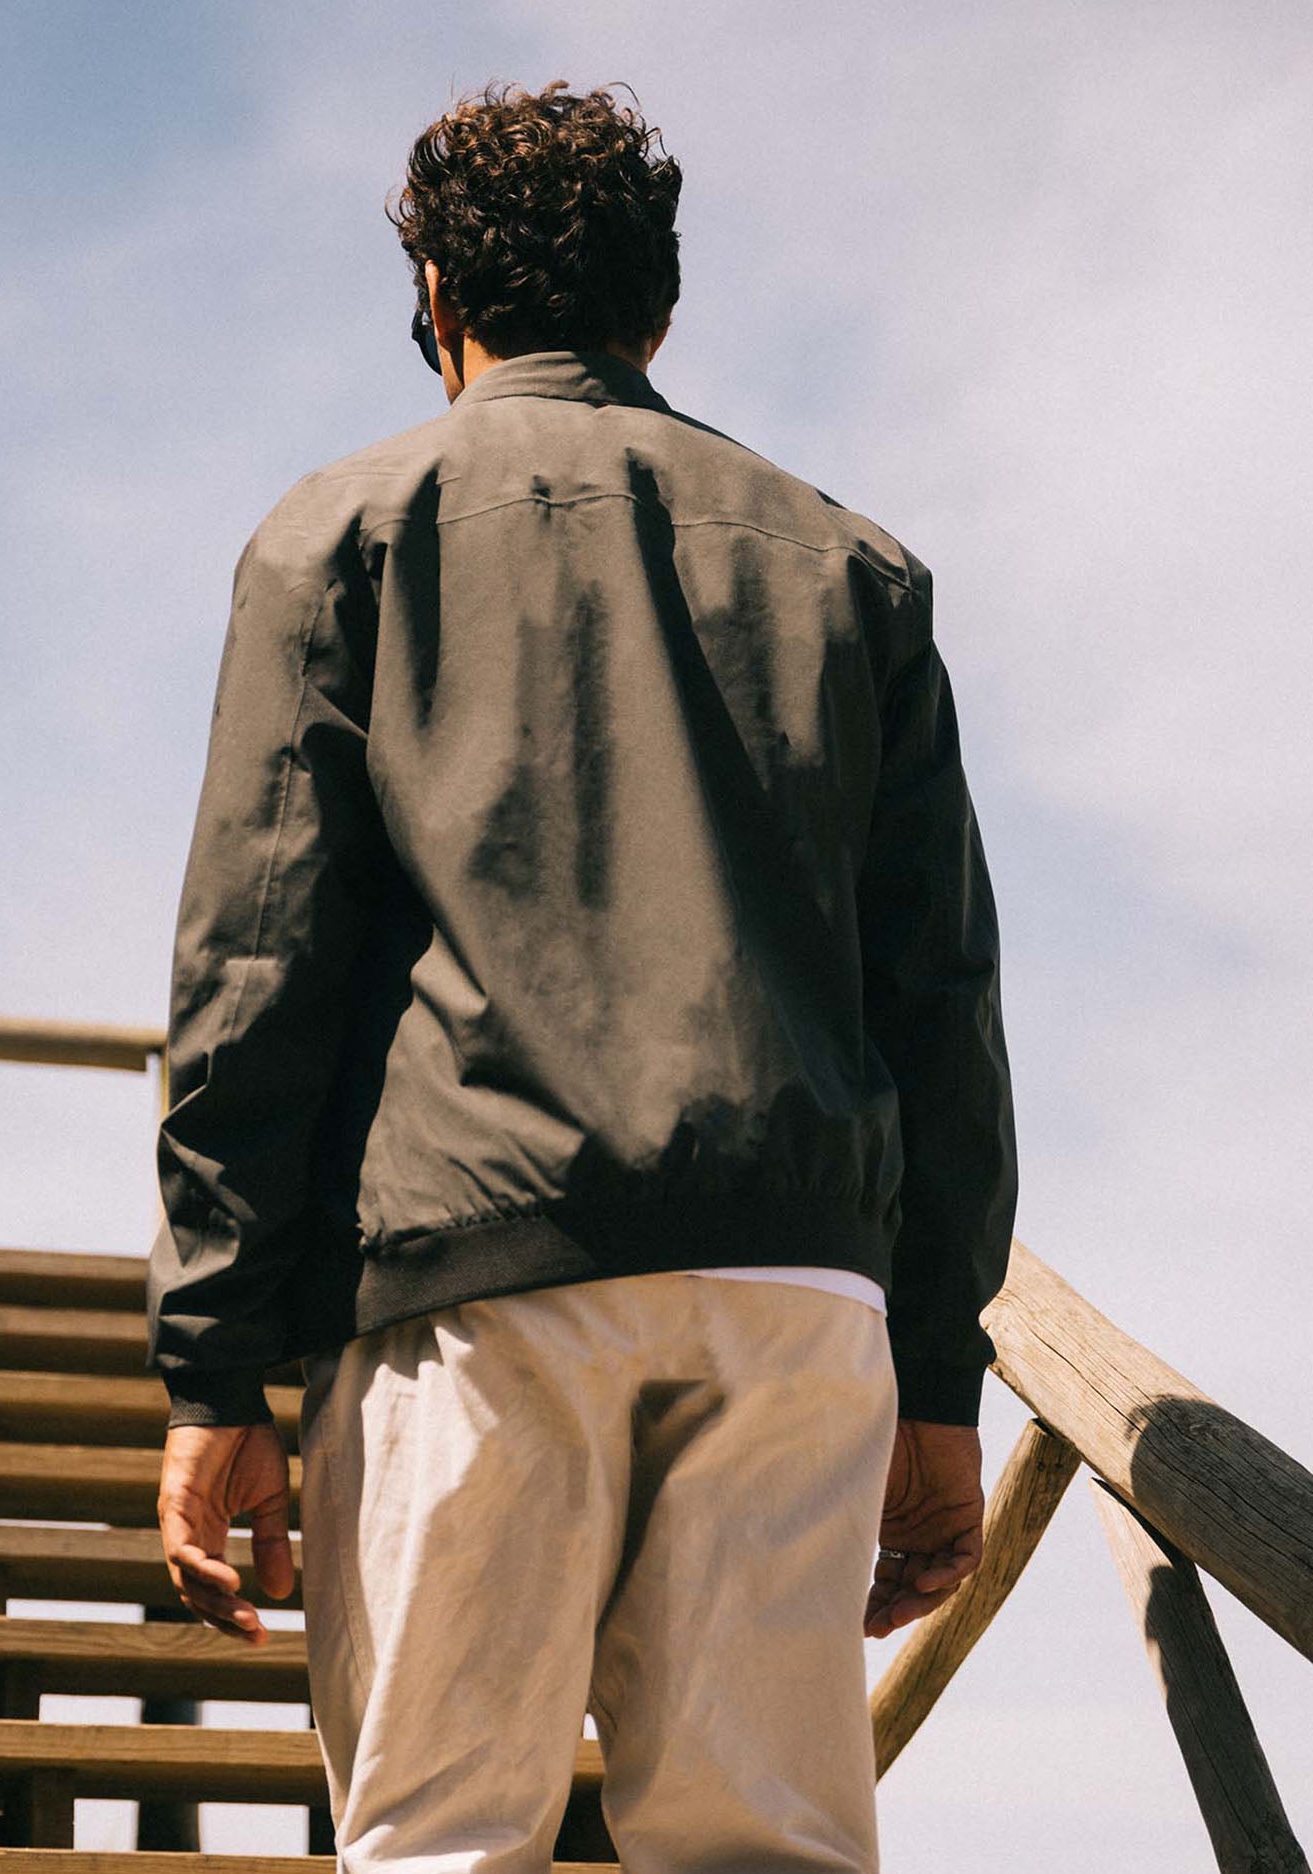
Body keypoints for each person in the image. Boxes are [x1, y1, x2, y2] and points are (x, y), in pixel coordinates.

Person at [149, 77, 1017, 1874]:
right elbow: (939, 1003)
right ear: (659, 312)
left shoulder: (344, 534)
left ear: (438, 301)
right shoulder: (853, 570)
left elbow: (256, 969)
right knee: (768, 1850)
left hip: (477, 1280)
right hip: (795, 1286)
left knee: (447, 1838)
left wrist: (216, 1372)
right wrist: (937, 1372)